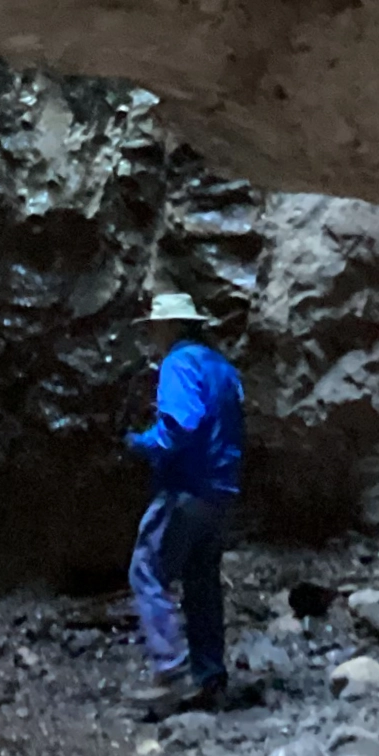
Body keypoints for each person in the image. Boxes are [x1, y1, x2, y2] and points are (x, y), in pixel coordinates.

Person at [125, 289, 243, 717]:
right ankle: (210, 677)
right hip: (221, 491)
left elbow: (181, 425)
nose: (153, 335)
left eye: (156, 326)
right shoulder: (223, 368)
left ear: (172, 326)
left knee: (147, 570)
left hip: (186, 489)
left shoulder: (179, 363)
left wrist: (140, 444)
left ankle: (169, 670)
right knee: (202, 582)